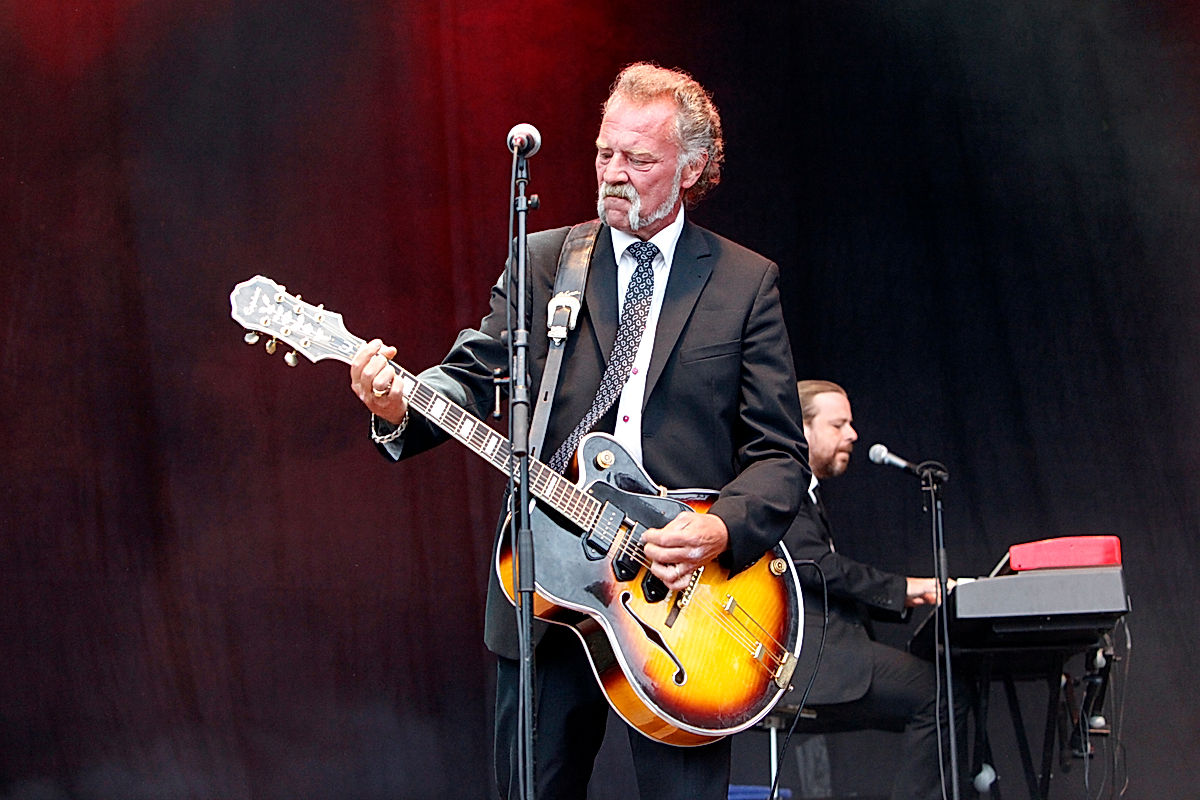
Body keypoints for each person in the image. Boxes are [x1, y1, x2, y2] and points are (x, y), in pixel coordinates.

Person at [348, 63, 808, 800]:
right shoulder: (547, 259)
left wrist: (720, 528)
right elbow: (474, 371)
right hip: (551, 586)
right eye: (604, 153)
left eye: (639, 159)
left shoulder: (742, 283)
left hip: (680, 606)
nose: (614, 174)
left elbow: (779, 456)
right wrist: (398, 405)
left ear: (690, 169)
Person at [783, 379, 967, 800]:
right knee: (943, 694)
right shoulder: (782, 489)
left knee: (948, 690)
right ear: (800, 428)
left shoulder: (805, 493)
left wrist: (910, 594)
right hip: (808, 660)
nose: (853, 435)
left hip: (826, 653)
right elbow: (817, 568)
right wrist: (905, 589)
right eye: (838, 425)